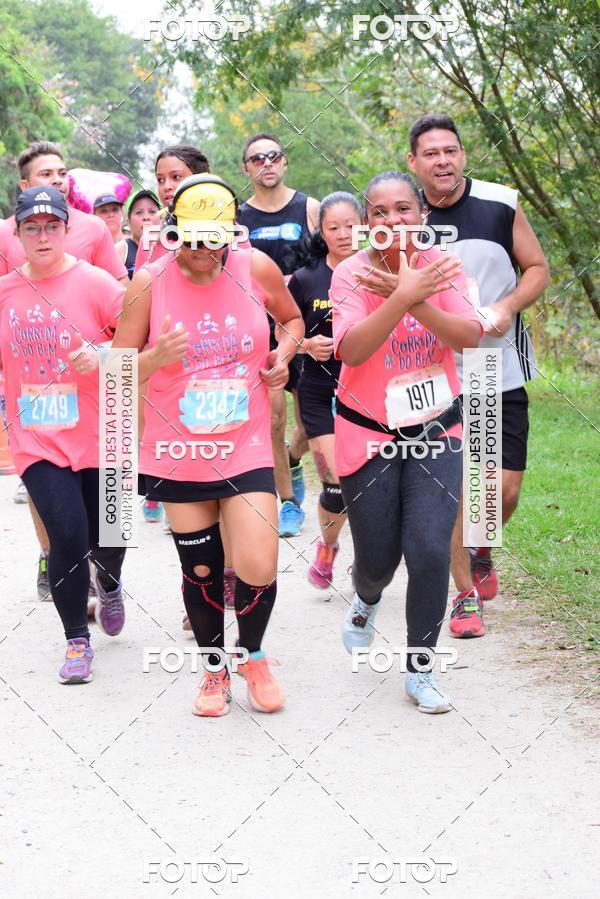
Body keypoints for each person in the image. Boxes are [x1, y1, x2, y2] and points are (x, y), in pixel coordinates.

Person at [112, 174, 304, 717]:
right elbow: (117, 369)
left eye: (213, 240)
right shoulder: (148, 283)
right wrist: (154, 359)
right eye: (191, 240)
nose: (202, 252)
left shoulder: (255, 267)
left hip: (243, 444)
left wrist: (280, 357)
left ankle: (255, 655)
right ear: (174, 233)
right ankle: (214, 668)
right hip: (177, 450)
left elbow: (290, 318)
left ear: (231, 233)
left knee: (259, 562)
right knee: (200, 570)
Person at [331, 171, 482, 713]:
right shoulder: (350, 272)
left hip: (438, 429)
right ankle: (366, 600)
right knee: (379, 559)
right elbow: (351, 350)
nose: (392, 221)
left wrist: (413, 295)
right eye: (379, 212)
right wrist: (401, 296)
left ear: (422, 215)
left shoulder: (443, 268)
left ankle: (421, 668)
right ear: (367, 221)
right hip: (368, 433)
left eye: (403, 210)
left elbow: (468, 335)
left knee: (427, 549)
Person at [405, 113, 550, 638]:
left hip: (493, 364)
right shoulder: (401, 211)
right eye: (432, 153)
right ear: (413, 162)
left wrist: (508, 305)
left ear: (462, 155)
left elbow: (537, 268)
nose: (443, 160)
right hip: (431, 371)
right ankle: (463, 593)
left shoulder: (500, 202)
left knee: (502, 491)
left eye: (451, 150)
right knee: (452, 486)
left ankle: (480, 545)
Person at [0, 187, 128, 683]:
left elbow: (141, 343)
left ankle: (112, 585)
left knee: (110, 538)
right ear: (18, 234)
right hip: (38, 437)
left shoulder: (97, 283)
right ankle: (77, 639)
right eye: (31, 227)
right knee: (68, 536)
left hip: (104, 431)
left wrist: (103, 354)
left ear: (66, 229)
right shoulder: (5, 291)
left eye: (51, 225)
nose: (42, 235)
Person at [237, 132, 319, 537]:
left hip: (304, 324)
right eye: (257, 159)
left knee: (309, 424)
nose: (266, 163)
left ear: (284, 162)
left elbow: (328, 265)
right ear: (246, 168)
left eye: (274, 156)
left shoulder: (310, 208)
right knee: (273, 419)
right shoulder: (236, 218)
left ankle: (291, 458)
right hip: (260, 331)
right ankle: (287, 502)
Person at [288, 192, 361, 589]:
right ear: (321, 231)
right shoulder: (305, 279)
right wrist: (304, 345)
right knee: (336, 485)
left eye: (351, 225)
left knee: (369, 483)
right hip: (319, 389)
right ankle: (328, 548)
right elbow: (282, 327)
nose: (344, 234)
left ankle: (367, 557)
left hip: (369, 391)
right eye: (334, 227)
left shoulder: (378, 272)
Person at [133, 145, 211, 272]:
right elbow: (140, 289)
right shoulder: (150, 239)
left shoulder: (232, 231)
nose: (166, 186)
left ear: (202, 180)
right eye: (160, 180)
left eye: (176, 177)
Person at [123, 189, 160, 280]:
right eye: (139, 212)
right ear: (128, 222)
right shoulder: (121, 250)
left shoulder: (173, 248)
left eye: (152, 212)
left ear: (161, 218)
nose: (146, 217)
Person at [93, 193, 127, 262]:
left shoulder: (134, 244)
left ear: (122, 212)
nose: (111, 215)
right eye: (104, 211)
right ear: (94, 215)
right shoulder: (90, 249)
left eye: (115, 209)